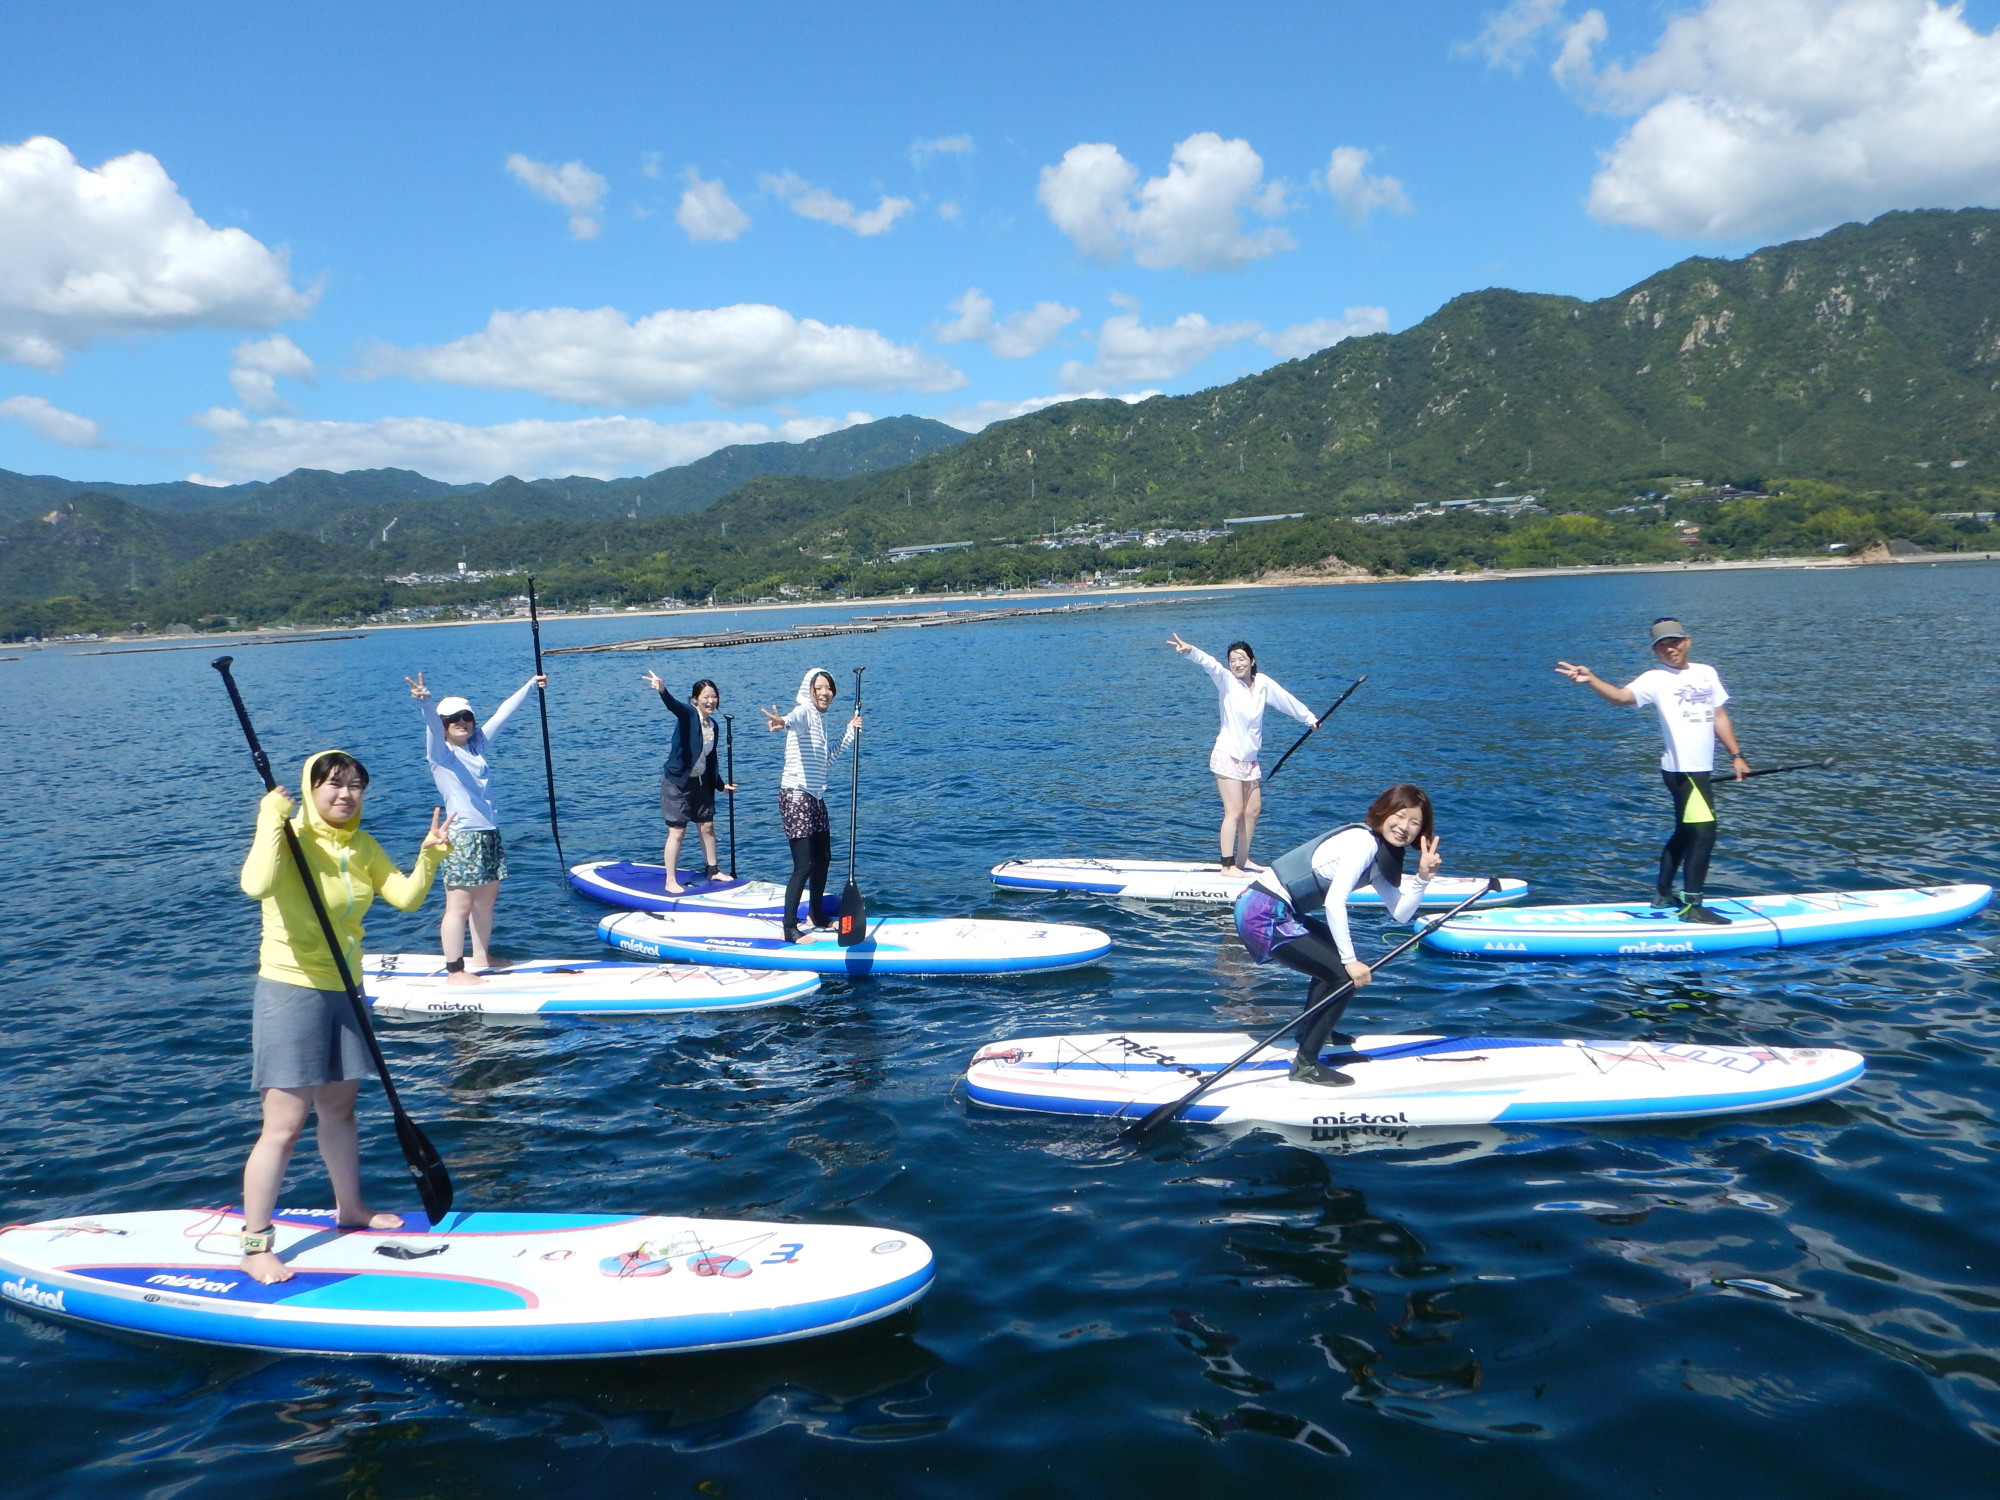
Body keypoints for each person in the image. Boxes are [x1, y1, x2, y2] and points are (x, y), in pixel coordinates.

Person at [237, 750, 454, 1284]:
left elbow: (405, 898)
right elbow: (255, 885)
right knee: (284, 1126)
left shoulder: (362, 846)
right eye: (333, 784)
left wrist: (429, 856)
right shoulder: (290, 838)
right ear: (309, 790)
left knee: (340, 1111)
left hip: (347, 988)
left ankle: (350, 1208)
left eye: (356, 785)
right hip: (291, 989)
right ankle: (255, 1243)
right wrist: (269, 817)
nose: (346, 794)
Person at [1233, 784, 1441, 1087]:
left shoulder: (1378, 854)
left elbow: (1401, 913)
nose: (1404, 827)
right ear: (1384, 811)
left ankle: (1311, 1031)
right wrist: (1350, 960)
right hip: (1262, 912)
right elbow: (1334, 902)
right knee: (1343, 975)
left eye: (1415, 822)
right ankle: (1305, 1065)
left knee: (1336, 962)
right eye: (1400, 815)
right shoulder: (1363, 843)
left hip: (1278, 911)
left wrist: (1422, 878)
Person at [1555, 616, 1749, 924]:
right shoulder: (1655, 679)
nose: (1669, 649)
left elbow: (1719, 716)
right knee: (1703, 835)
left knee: (1686, 832)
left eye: (1674, 642)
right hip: (1682, 771)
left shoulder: (1706, 673)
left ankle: (1663, 893)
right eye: (1662, 645)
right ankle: (1693, 906)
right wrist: (1591, 679)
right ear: (1655, 651)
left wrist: (1736, 755)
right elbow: (1620, 698)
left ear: (1687, 641)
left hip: (1701, 769)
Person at [404, 669, 542, 982]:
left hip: (488, 833)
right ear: (444, 724)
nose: (462, 722)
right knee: (459, 905)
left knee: (486, 901)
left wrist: (531, 685)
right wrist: (426, 703)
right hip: (463, 836)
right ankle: (455, 970)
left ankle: (482, 956)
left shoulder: (475, 747)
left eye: (466, 717)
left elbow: (503, 714)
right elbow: (431, 726)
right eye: (453, 719)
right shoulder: (441, 754)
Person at [1168, 632, 1320, 872]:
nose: (1237, 664)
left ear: (1252, 660)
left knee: (1253, 810)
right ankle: (1227, 866)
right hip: (1227, 755)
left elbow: (1285, 700)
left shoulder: (1263, 683)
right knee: (1234, 811)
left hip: (1249, 760)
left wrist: (1309, 718)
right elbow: (1210, 664)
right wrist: (1191, 651)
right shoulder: (1227, 682)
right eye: (1232, 660)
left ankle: (1242, 860)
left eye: (1241, 659)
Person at [760, 667, 861, 943]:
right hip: (795, 795)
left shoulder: (820, 719)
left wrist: (849, 732)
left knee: (823, 858)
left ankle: (816, 914)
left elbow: (825, 761)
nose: (824, 693)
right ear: (809, 691)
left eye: (828, 688)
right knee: (803, 865)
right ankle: (789, 928)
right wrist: (781, 721)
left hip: (815, 796)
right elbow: (792, 720)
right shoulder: (804, 711)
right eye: (818, 688)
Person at [642, 671, 735, 891]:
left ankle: (713, 870)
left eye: (714, 696)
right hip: (678, 782)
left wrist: (720, 785)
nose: (711, 701)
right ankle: (670, 881)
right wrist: (662, 690)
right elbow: (673, 705)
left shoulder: (713, 725)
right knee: (677, 831)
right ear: (695, 699)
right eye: (706, 697)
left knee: (707, 826)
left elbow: (710, 758)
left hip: (701, 782)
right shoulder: (688, 715)